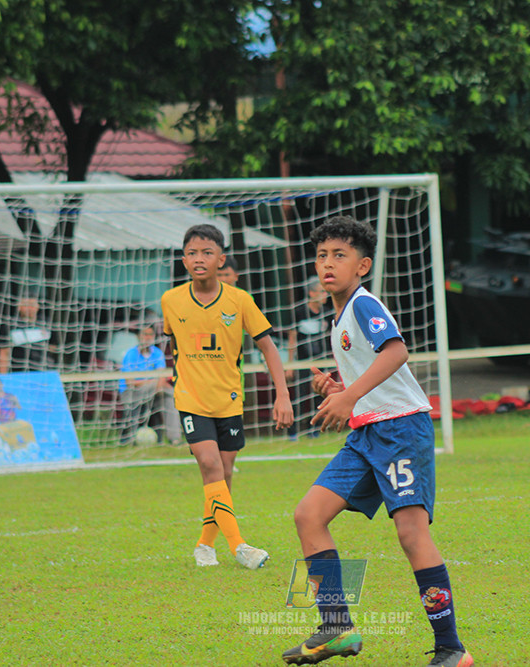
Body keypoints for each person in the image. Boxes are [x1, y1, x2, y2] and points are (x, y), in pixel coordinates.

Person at [282, 216, 472, 667]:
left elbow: (397, 352)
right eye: (322, 255)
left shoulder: (365, 306)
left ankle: (452, 648)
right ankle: (337, 628)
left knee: (411, 533)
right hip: (368, 432)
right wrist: (340, 389)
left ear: (362, 265)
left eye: (339, 255)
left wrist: (348, 395)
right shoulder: (340, 315)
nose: (327, 264)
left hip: (401, 429)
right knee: (309, 515)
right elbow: (373, 375)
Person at [161, 224, 293, 569]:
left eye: (207, 252)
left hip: (229, 400)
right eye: (192, 253)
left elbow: (268, 347)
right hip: (191, 399)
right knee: (209, 464)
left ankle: (205, 544)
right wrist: (176, 375)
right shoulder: (171, 300)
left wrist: (282, 395)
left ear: (221, 259)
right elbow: (170, 342)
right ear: (183, 259)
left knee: (224, 473)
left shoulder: (240, 300)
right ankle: (240, 547)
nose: (199, 259)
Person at [118, 324, 180, 445]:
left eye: (150, 334)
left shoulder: (157, 353)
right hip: (132, 393)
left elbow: (162, 377)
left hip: (154, 392)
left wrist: (157, 383)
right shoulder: (130, 354)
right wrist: (154, 382)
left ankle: (175, 438)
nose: (147, 337)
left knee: (169, 399)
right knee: (168, 390)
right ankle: (130, 437)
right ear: (138, 336)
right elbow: (130, 382)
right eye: (144, 334)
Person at [287, 276, 331, 439]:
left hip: (321, 362)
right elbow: (292, 338)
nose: (325, 295)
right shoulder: (299, 312)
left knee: (319, 397)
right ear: (311, 293)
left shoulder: (328, 313)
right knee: (299, 397)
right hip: (302, 363)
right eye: (321, 292)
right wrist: (290, 364)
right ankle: (292, 432)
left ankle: (314, 430)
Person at [0, 295, 58, 374]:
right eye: (26, 305)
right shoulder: (9, 325)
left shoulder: (47, 323)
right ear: (19, 307)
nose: (29, 308)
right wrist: (4, 375)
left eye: (32, 305)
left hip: (44, 371)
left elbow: (53, 346)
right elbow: (4, 352)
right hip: (18, 372)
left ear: (37, 307)